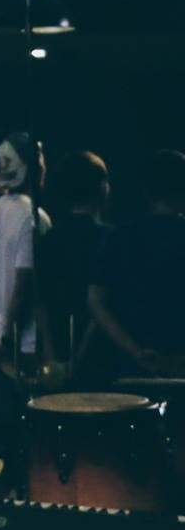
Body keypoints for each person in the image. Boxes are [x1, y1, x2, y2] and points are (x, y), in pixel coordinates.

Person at [0, 132, 54, 428]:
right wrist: (6, 337)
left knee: (2, 429)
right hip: (24, 346)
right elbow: (23, 285)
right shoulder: (34, 217)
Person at [87, 149, 185, 377]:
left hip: (133, 369)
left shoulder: (121, 236)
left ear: (146, 191)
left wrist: (135, 352)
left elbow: (95, 301)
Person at [41, 150, 112, 380]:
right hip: (101, 352)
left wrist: (51, 357)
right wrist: (80, 357)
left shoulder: (49, 239)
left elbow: (41, 301)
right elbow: (106, 301)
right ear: (102, 188)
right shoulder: (110, 239)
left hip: (57, 346)